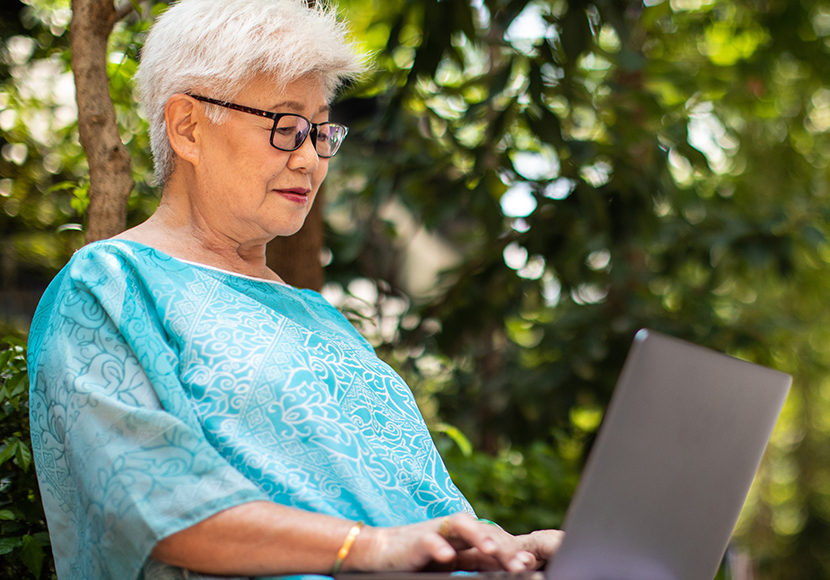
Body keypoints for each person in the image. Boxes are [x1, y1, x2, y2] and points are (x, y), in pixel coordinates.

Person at [27, 1, 563, 579]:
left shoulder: (321, 318)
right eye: (285, 127)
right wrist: (366, 548)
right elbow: (152, 506)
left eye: (321, 131)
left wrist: (508, 547)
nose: (310, 159)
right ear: (187, 127)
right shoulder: (111, 285)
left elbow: (411, 517)